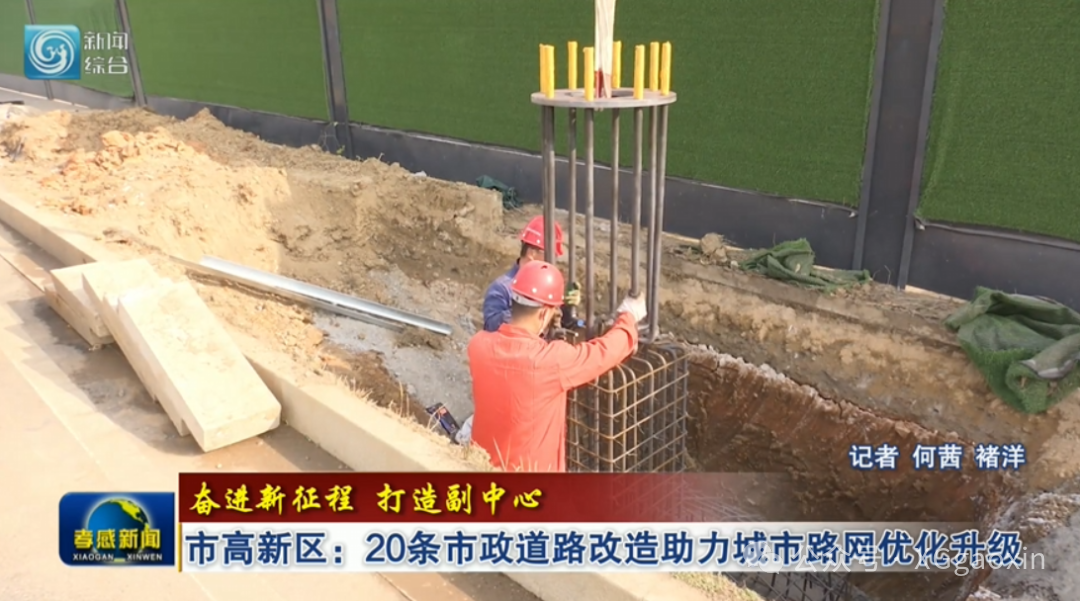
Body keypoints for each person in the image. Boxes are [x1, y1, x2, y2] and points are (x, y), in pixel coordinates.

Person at [467, 260, 648, 472]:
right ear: (544, 314)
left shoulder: (478, 345)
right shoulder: (550, 362)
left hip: (481, 472)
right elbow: (604, 352)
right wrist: (628, 317)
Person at [481, 215, 580, 333]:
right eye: (549, 256)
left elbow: (560, 328)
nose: (552, 263)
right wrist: (526, 307)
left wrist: (566, 308)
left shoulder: (546, 286)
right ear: (531, 253)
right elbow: (491, 327)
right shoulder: (501, 288)